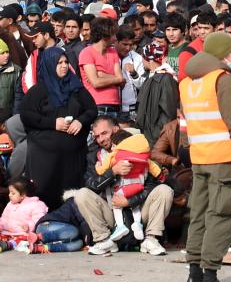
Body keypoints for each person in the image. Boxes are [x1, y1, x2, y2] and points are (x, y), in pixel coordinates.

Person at [180, 33, 231, 282]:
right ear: (225, 54)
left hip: (199, 158)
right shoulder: (222, 80)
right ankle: (210, 272)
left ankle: (194, 271)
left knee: (198, 213)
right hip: (222, 158)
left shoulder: (187, 83)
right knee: (221, 214)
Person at [74, 115, 173, 256]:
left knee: (164, 190)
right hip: (111, 213)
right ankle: (104, 240)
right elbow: (91, 185)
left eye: (104, 133)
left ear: (115, 129)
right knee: (82, 194)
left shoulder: (137, 147)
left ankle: (151, 239)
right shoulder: (93, 155)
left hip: (139, 212)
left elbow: (152, 184)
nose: (101, 139)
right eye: (97, 137)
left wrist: (129, 201)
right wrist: (112, 172)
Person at [20, 47, 97, 210]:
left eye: (65, 62)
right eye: (59, 63)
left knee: (71, 196)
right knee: (44, 195)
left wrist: (80, 121)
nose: (63, 66)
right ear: (49, 64)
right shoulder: (38, 91)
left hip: (72, 156)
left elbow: (92, 110)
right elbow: (27, 116)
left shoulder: (76, 88)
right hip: (44, 157)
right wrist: (53, 123)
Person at [95, 130, 162, 242]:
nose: (112, 148)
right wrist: (161, 174)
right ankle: (137, 224)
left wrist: (101, 168)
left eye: (113, 145)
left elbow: (101, 170)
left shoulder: (115, 155)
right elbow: (155, 169)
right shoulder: (144, 157)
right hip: (137, 188)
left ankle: (120, 227)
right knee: (136, 207)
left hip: (123, 190)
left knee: (116, 204)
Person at [78, 17, 124, 116]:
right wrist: (116, 78)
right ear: (105, 36)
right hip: (97, 105)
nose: (115, 38)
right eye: (113, 35)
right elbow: (96, 83)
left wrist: (101, 75)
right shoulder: (87, 53)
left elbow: (121, 81)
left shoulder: (113, 52)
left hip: (115, 105)